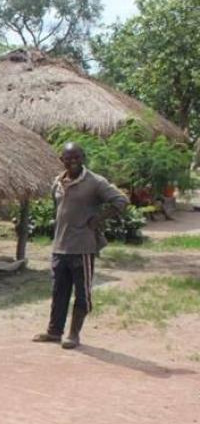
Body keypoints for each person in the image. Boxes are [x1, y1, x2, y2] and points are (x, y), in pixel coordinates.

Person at [33, 142, 128, 349]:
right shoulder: (57, 183)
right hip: (60, 247)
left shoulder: (95, 182)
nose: (72, 161)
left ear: (83, 157)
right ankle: (54, 332)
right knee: (59, 292)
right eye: (68, 158)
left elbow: (121, 201)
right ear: (62, 160)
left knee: (82, 294)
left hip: (83, 247)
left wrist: (101, 218)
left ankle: (74, 334)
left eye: (76, 157)